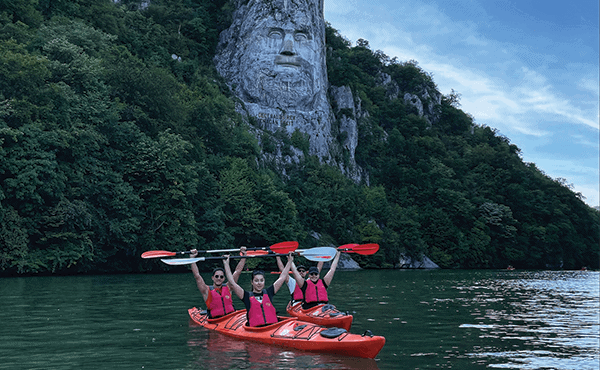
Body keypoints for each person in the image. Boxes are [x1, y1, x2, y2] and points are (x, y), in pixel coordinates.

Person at [224, 252, 294, 327]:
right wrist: (226, 263)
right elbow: (232, 282)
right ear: (252, 282)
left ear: (264, 281)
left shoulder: (269, 292)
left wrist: (290, 261)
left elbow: (282, 277)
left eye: (261, 280)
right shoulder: (246, 296)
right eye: (256, 281)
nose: (259, 283)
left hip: (273, 327)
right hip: (256, 330)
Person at [189, 247, 247, 319]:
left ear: (224, 279)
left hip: (231, 317)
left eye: (221, 277)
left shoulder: (229, 287)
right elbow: (197, 276)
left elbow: (237, 272)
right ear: (212, 278)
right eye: (217, 276)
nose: (219, 278)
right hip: (216, 320)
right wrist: (192, 259)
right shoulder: (206, 290)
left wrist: (243, 257)